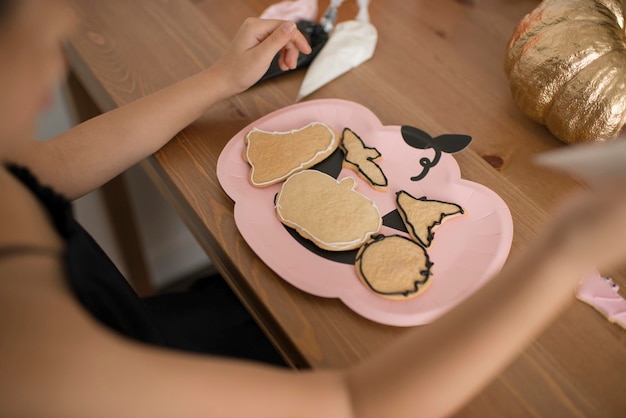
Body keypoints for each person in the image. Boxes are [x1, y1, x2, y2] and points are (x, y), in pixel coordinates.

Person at [1, 0, 625, 417]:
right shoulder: (35, 368)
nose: (54, 61)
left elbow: (46, 169)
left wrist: (221, 79)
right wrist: (564, 250)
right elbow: (354, 403)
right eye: (36, 40)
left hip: (140, 330)